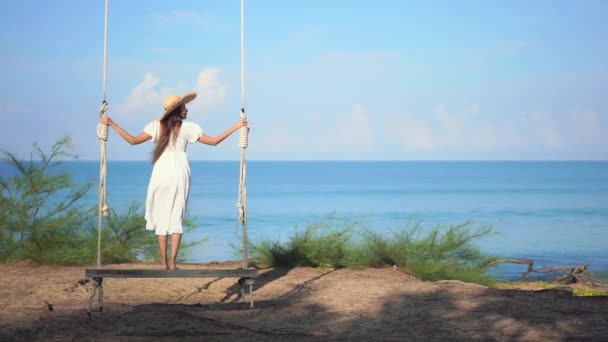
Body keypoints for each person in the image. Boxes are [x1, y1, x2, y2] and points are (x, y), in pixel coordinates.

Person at [100, 91, 247, 270]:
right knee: (176, 217)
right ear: (178, 110)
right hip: (179, 172)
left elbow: (132, 140)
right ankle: (172, 263)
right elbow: (214, 141)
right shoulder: (188, 128)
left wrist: (112, 123)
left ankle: (163, 262)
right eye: (184, 107)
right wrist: (237, 126)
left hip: (161, 172)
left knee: (162, 217)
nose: (187, 110)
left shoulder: (156, 126)